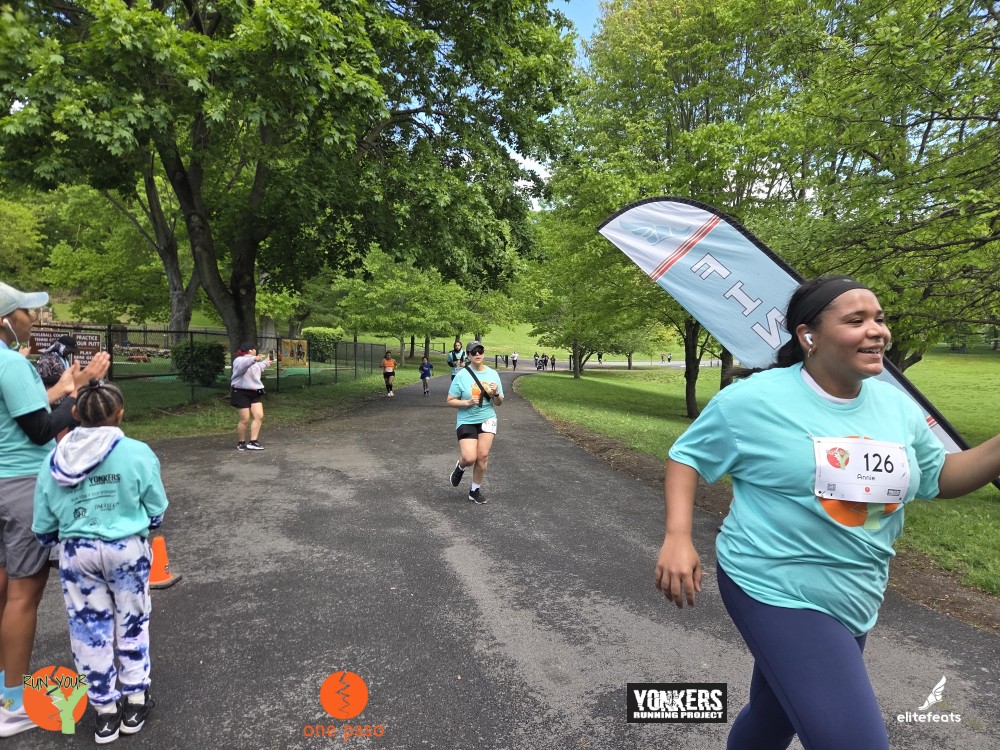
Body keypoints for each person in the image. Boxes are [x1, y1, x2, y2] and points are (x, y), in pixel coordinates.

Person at [652, 276, 1000, 750]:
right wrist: (678, 536)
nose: (877, 331)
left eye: (879, 319)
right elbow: (688, 457)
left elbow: (940, 478)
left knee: (774, 717)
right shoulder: (753, 400)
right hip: (774, 583)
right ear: (808, 336)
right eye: (856, 320)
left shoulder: (896, 408)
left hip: (856, 589)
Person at [0, 282, 110, 738]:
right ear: (6, 320)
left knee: (3, 586)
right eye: (25, 311)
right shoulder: (10, 363)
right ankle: (12, 705)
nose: (32, 318)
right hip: (21, 486)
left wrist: (71, 386)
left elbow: (21, 413)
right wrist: (79, 402)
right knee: (23, 594)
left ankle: (1, 688)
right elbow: (41, 429)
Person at [32, 379, 168, 744]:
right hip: (127, 550)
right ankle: (135, 701)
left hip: (77, 553)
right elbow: (156, 509)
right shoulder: (138, 452)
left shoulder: (54, 459)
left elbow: (43, 525)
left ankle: (105, 711)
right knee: (133, 621)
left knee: (88, 629)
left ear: (75, 413)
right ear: (119, 413)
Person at [447, 340, 504, 505]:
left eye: (480, 350)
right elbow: (450, 400)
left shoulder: (493, 374)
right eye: (473, 352)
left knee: (482, 456)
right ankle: (460, 466)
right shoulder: (461, 375)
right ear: (468, 356)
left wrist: (496, 393)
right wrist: (467, 402)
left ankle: (474, 491)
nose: (477, 354)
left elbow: (499, 402)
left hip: (487, 418)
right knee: (469, 457)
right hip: (467, 419)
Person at [230, 343, 271, 451]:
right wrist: (254, 359)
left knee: (259, 416)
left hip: (254, 391)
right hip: (240, 391)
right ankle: (241, 442)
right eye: (254, 349)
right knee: (245, 419)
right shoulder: (239, 360)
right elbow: (245, 364)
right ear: (250, 350)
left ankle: (253, 442)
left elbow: (261, 366)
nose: (256, 351)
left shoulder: (255, 361)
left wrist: (268, 360)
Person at [34, 335, 79, 405]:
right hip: (52, 400)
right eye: (69, 350)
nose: (70, 352)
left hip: (63, 400)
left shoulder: (66, 359)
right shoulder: (47, 358)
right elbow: (39, 379)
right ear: (61, 347)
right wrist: (55, 378)